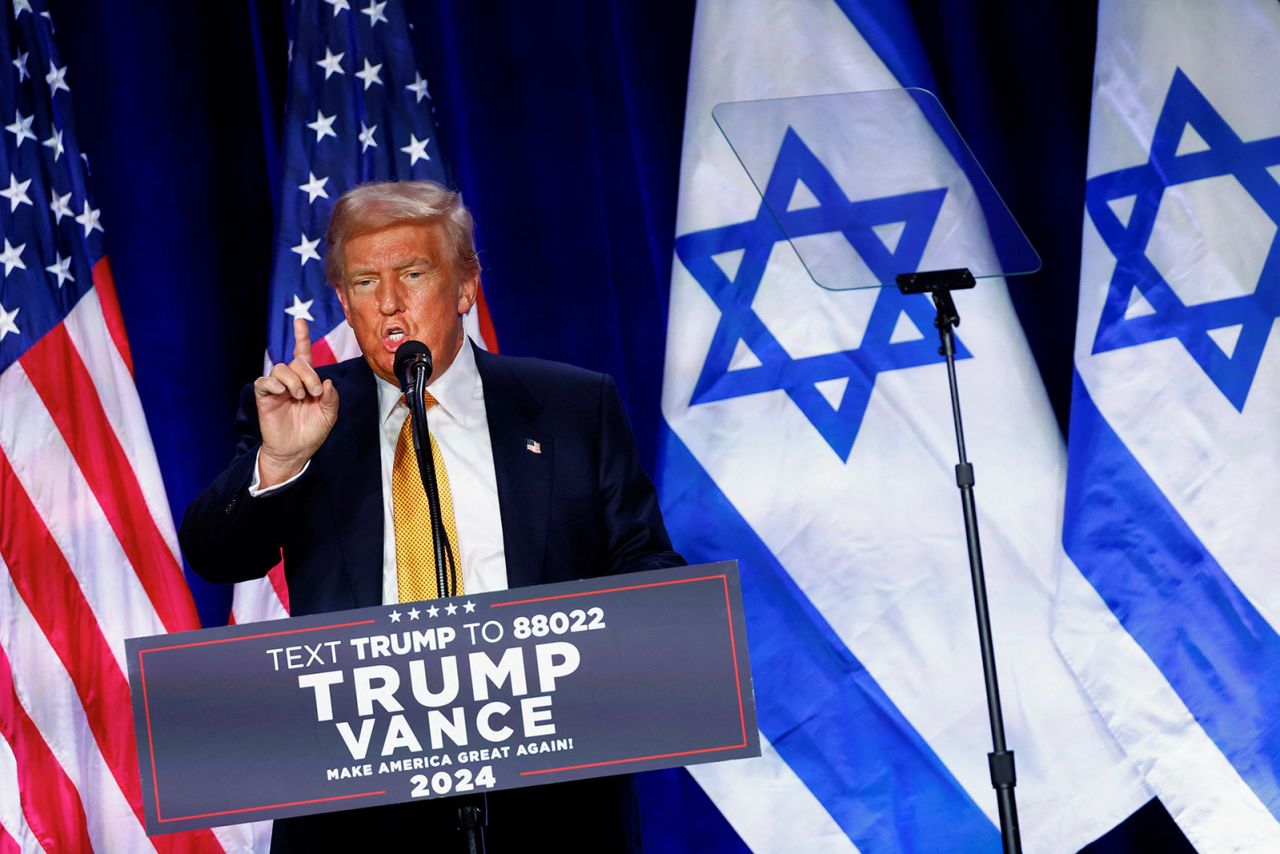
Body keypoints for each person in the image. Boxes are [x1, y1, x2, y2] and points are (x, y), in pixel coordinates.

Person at [179, 180, 684, 852]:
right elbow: (219, 556)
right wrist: (280, 461)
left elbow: (646, 568)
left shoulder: (571, 408)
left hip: (550, 802)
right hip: (358, 811)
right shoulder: (302, 417)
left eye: (413, 274)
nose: (389, 303)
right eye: (364, 282)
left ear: (466, 286)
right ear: (343, 303)